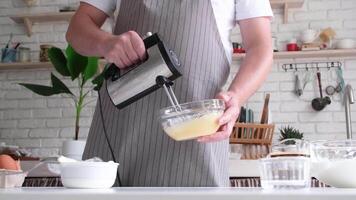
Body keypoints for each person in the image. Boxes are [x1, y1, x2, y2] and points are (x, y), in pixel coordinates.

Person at [66, 0, 273, 187]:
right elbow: (77, 28)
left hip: (198, 133)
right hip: (120, 129)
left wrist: (235, 96)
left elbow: (260, 46)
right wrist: (106, 43)